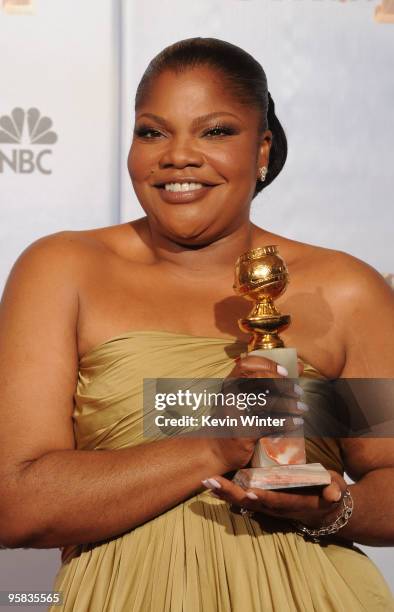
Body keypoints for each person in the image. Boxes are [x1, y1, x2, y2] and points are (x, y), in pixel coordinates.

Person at [0, 37, 393, 612]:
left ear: (262, 150)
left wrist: (333, 509)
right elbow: (17, 505)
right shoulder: (63, 271)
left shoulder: (346, 289)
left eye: (215, 131)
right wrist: (211, 446)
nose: (178, 155)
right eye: (152, 131)